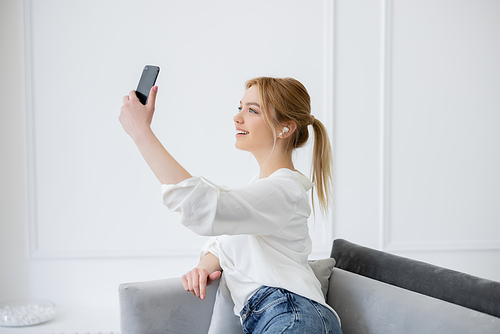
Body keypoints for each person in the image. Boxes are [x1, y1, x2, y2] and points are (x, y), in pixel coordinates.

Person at [120, 77, 342, 334]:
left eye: (252, 110)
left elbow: (205, 208)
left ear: (285, 129)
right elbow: (225, 236)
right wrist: (204, 266)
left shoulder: (283, 190)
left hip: (291, 314)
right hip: (282, 315)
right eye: (240, 108)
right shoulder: (261, 191)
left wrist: (142, 133)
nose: (237, 118)